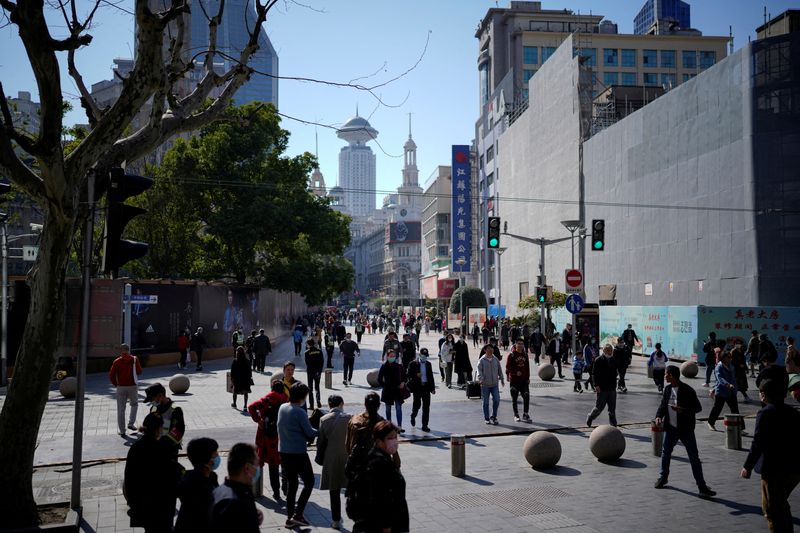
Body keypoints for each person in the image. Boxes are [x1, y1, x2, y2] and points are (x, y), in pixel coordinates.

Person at [741, 378, 800, 532]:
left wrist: (747, 466)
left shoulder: (765, 413)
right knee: (781, 503)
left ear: (765, 394)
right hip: (793, 469)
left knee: (771, 509)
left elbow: (758, 442)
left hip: (773, 469)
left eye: (761, 392)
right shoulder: (793, 412)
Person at [653, 366, 716, 498]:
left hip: (686, 429)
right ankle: (663, 478)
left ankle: (702, 487)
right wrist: (658, 416)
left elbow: (697, 408)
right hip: (671, 429)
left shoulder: (688, 390)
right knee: (666, 453)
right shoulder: (667, 389)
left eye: (666, 374)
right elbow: (663, 405)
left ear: (672, 376)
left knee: (694, 457)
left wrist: (683, 410)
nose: (664, 376)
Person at [123, 413, 182, 532]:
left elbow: (128, 477)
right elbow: (173, 475)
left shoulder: (135, 448)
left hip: (141, 505)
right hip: (160, 507)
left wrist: (132, 502)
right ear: (158, 429)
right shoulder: (161, 449)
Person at [357, 421, 409, 533]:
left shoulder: (383, 457)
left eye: (395, 437)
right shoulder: (378, 463)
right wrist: (386, 525)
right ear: (379, 441)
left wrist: (394, 452)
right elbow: (380, 498)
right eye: (390, 438)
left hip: (392, 520)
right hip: (386, 525)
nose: (394, 441)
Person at [277, 383, 318, 528]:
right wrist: (322, 429)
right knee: (309, 482)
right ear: (302, 397)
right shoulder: (299, 411)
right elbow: (310, 432)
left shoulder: (283, 407)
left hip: (284, 451)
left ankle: (290, 518)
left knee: (292, 484)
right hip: (298, 453)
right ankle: (298, 513)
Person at [247, 380, 288, 501]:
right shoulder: (286, 399)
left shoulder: (269, 398)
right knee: (283, 463)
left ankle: (275, 492)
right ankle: (285, 488)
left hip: (267, 436)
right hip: (282, 435)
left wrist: (258, 420)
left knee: (271, 465)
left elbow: (251, 407)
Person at [210, 443, 263, 532]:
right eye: (257, 464)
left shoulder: (220, 491)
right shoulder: (236, 504)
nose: (258, 468)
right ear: (247, 468)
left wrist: (253, 514)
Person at [317, 395, 352, 530]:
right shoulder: (350, 418)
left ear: (329, 405)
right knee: (351, 487)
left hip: (330, 457)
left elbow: (321, 442)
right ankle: (355, 515)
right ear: (342, 404)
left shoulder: (323, 419)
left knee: (334, 490)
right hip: (348, 456)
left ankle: (336, 521)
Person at [175, 437, 220, 533]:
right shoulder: (193, 484)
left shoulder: (211, 476)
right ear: (207, 459)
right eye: (215, 453)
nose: (218, 455)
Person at [109, 343, 143, 436]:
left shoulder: (116, 361)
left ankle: (122, 430)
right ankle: (131, 423)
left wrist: (116, 384)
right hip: (132, 386)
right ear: (129, 350)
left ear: (121, 351)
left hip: (121, 387)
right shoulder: (134, 359)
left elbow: (111, 375)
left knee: (121, 409)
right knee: (134, 404)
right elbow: (140, 371)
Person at [145, 382, 185, 456]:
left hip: (171, 448)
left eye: (152, 399)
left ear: (160, 395)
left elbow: (179, 431)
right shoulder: (153, 409)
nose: (151, 402)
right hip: (156, 448)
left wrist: (163, 443)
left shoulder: (175, 409)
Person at [706, 350, 742, 431]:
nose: (730, 359)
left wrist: (735, 387)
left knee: (735, 409)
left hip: (731, 391)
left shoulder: (731, 366)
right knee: (717, 408)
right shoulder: (719, 367)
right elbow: (719, 378)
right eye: (728, 357)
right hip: (721, 391)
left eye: (730, 357)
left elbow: (733, 378)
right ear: (723, 358)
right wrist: (727, 384)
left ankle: (740, 428)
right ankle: (711, 423)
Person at [586, 344, 618, 427]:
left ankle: (613, 422)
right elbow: (594, 374)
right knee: (599, 407)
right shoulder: (598, 360)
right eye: (607, 350)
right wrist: (596, 385)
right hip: (602, 388)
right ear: (603, 351)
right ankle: (591, 417)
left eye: (611, 350)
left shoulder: (613, 360)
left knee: (612, 408)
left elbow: (615, 372)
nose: (609, 352)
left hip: (612, 387)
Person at [378, 349, 407, 432]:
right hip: (388, 391)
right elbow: (379, 379)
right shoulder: (384, 366)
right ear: (387, 356)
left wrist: (403, 383)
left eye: (394, 356)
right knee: (388, 409)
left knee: (398, 408)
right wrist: (385, 386)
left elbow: (404, 376)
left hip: (397, 390)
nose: (392, 357)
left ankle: (399, 426)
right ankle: (389, 426)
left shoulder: (398, 366)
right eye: (391, 356)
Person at [407, 347, 436, 432]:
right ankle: (413, 415)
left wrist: (432, 388)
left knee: (426, 407)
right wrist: (416, 375)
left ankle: (425, 425)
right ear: (419, 355)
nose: (425, 357)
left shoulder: (428, 364)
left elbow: (431, 377)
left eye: (426, 356)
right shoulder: (413, 364)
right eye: (423, 355)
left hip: (426, 387)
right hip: (417, 388)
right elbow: (408, 375)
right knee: (417, 404)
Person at [477, 344, 504, 425]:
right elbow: (479, 370)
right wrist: (480, 378)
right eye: (488, 349)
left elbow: (500, 370)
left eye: (491, 348)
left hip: (494, 384)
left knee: (496, 400)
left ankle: (494, 416)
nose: (490, 350)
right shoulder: (482, 360)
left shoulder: (495, 359)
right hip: (485, 385)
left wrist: (502, 379)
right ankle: (486, 417)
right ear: (485, 350)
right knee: (486, 402)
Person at [506, 339, 531, 423]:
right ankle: (516, 415)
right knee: (514, 398)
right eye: (519, 344)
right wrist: (515, 373)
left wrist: (528, 378)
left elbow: (527, 367)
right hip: (514, 380)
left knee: (526, 396)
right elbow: (507, 367)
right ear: (515, 345)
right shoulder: (511, 355)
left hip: (524, 380)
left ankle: (525, 414)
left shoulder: (525, 354)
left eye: (522, 344)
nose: (520, 345)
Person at [230, 347, 253, 412]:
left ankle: (234, 403)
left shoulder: (235, 361)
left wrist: (232, 380)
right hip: (246, 380)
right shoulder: (247, 361)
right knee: (246, 392)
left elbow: (232, 372)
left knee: (235, 391)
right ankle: (245, 406)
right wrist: (249, 378)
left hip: (237, 380)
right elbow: (250, 371)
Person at [305, 339, 324, 410]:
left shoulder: (307, 352)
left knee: (310, 389)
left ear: (308, 344)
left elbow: (307, 363)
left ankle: (311, 405)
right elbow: (322, 362)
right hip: (317, 372)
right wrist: (319, 371)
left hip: (310, 372)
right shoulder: (319, 351)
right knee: (317, 387)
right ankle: (318, 401)